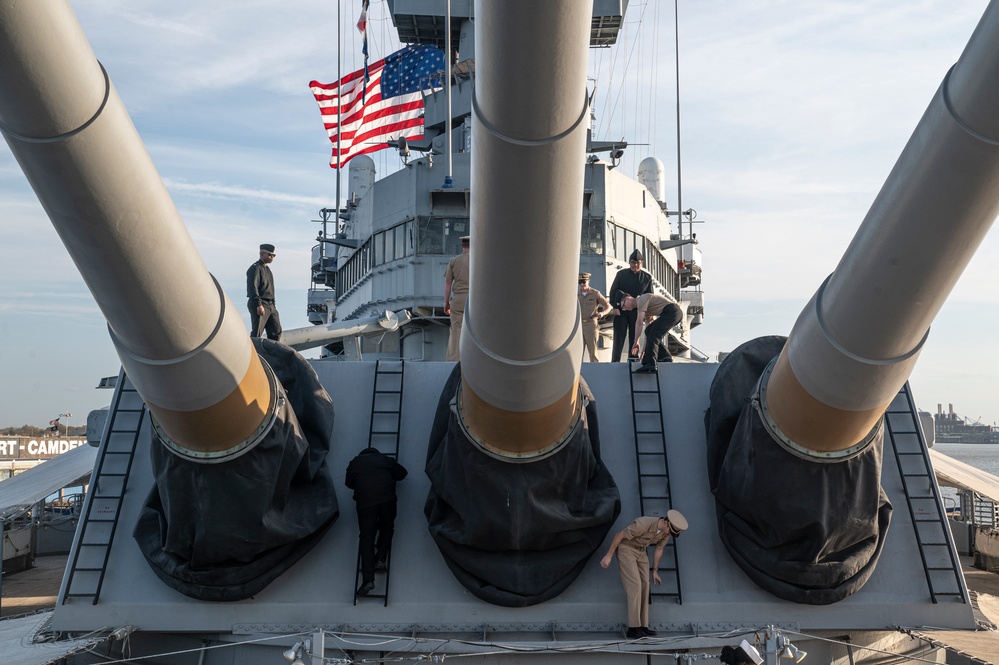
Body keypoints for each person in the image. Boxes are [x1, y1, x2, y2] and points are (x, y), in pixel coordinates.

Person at [599, 509, 688, 639]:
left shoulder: (666, 532)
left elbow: (659, 548)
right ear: (665, 522)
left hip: (641, 552)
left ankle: (643, 626)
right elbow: (619, 535)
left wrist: (655, 570)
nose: (670, 534)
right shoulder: (643, 523)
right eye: (670, 530)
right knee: (635, 585)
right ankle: (633, 628)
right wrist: (609, 555)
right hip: (626, 549)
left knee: (646, 585)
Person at [345, 447, 408, 596]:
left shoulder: (355, 462)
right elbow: (402, 474)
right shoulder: (386, 459)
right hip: (387, 500)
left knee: (367, 538)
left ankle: (368, 580)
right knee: (387, 527)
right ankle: (380, 557)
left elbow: (348, 483)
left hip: (365, 503)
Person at [618, 291, 683, 373]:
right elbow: (647, 331)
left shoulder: (641, 300)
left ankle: (650, 363)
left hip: (672, 311)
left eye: (623, 305)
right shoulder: (645, 308)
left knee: (654, 335)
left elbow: (639, 322)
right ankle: (665, 357)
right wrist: (645, 350)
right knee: (650, 331)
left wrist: (636, 342)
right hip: (672, 313)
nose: (625, 308)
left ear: (628, 299)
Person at [607, 249, 653, 362]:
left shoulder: (647, 278)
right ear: (629, 262)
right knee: (619, 336)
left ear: (641, 263)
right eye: (633, 262)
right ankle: (615, 360)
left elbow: (649, 296)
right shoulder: (621, 274)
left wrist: (646, 313)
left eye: (638, 263)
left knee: (634, 337)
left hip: (637, 312)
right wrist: (615, 307)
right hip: (621, 311)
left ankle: (633, 358)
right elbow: (613, 292)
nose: (635, 265)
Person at [246, 243, 282, 340]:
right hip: (260, 303)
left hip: (270, 305)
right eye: (270, 255)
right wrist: (258, 304)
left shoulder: (268, 270)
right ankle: (254, 352)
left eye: (273, 255)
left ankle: (272, 354)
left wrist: (273, 306)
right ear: (262, 254)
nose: (272, 257)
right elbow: (252, 287)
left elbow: (271, 290)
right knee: (257, 332)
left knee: (276, 331)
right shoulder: (255, 268)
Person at [443, 235, 470, 361]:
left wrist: (446, 302)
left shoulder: (454, 261)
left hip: (458, 300)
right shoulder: (480, 260)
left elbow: (448, 283)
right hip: (475, 300)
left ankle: (454, 360)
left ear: (462, 245)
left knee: (456, 330)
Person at [578, 272, 611, 362]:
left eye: (584, 282)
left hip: (591, 325)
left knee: (593, 351)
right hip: (579, 325)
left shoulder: (595, 293)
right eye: (580, 283)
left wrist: (602, 313)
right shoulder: (576, 295)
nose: (582, 285)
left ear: (588, 281)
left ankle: (594, 369)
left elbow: (608, 306)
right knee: (578, 352)